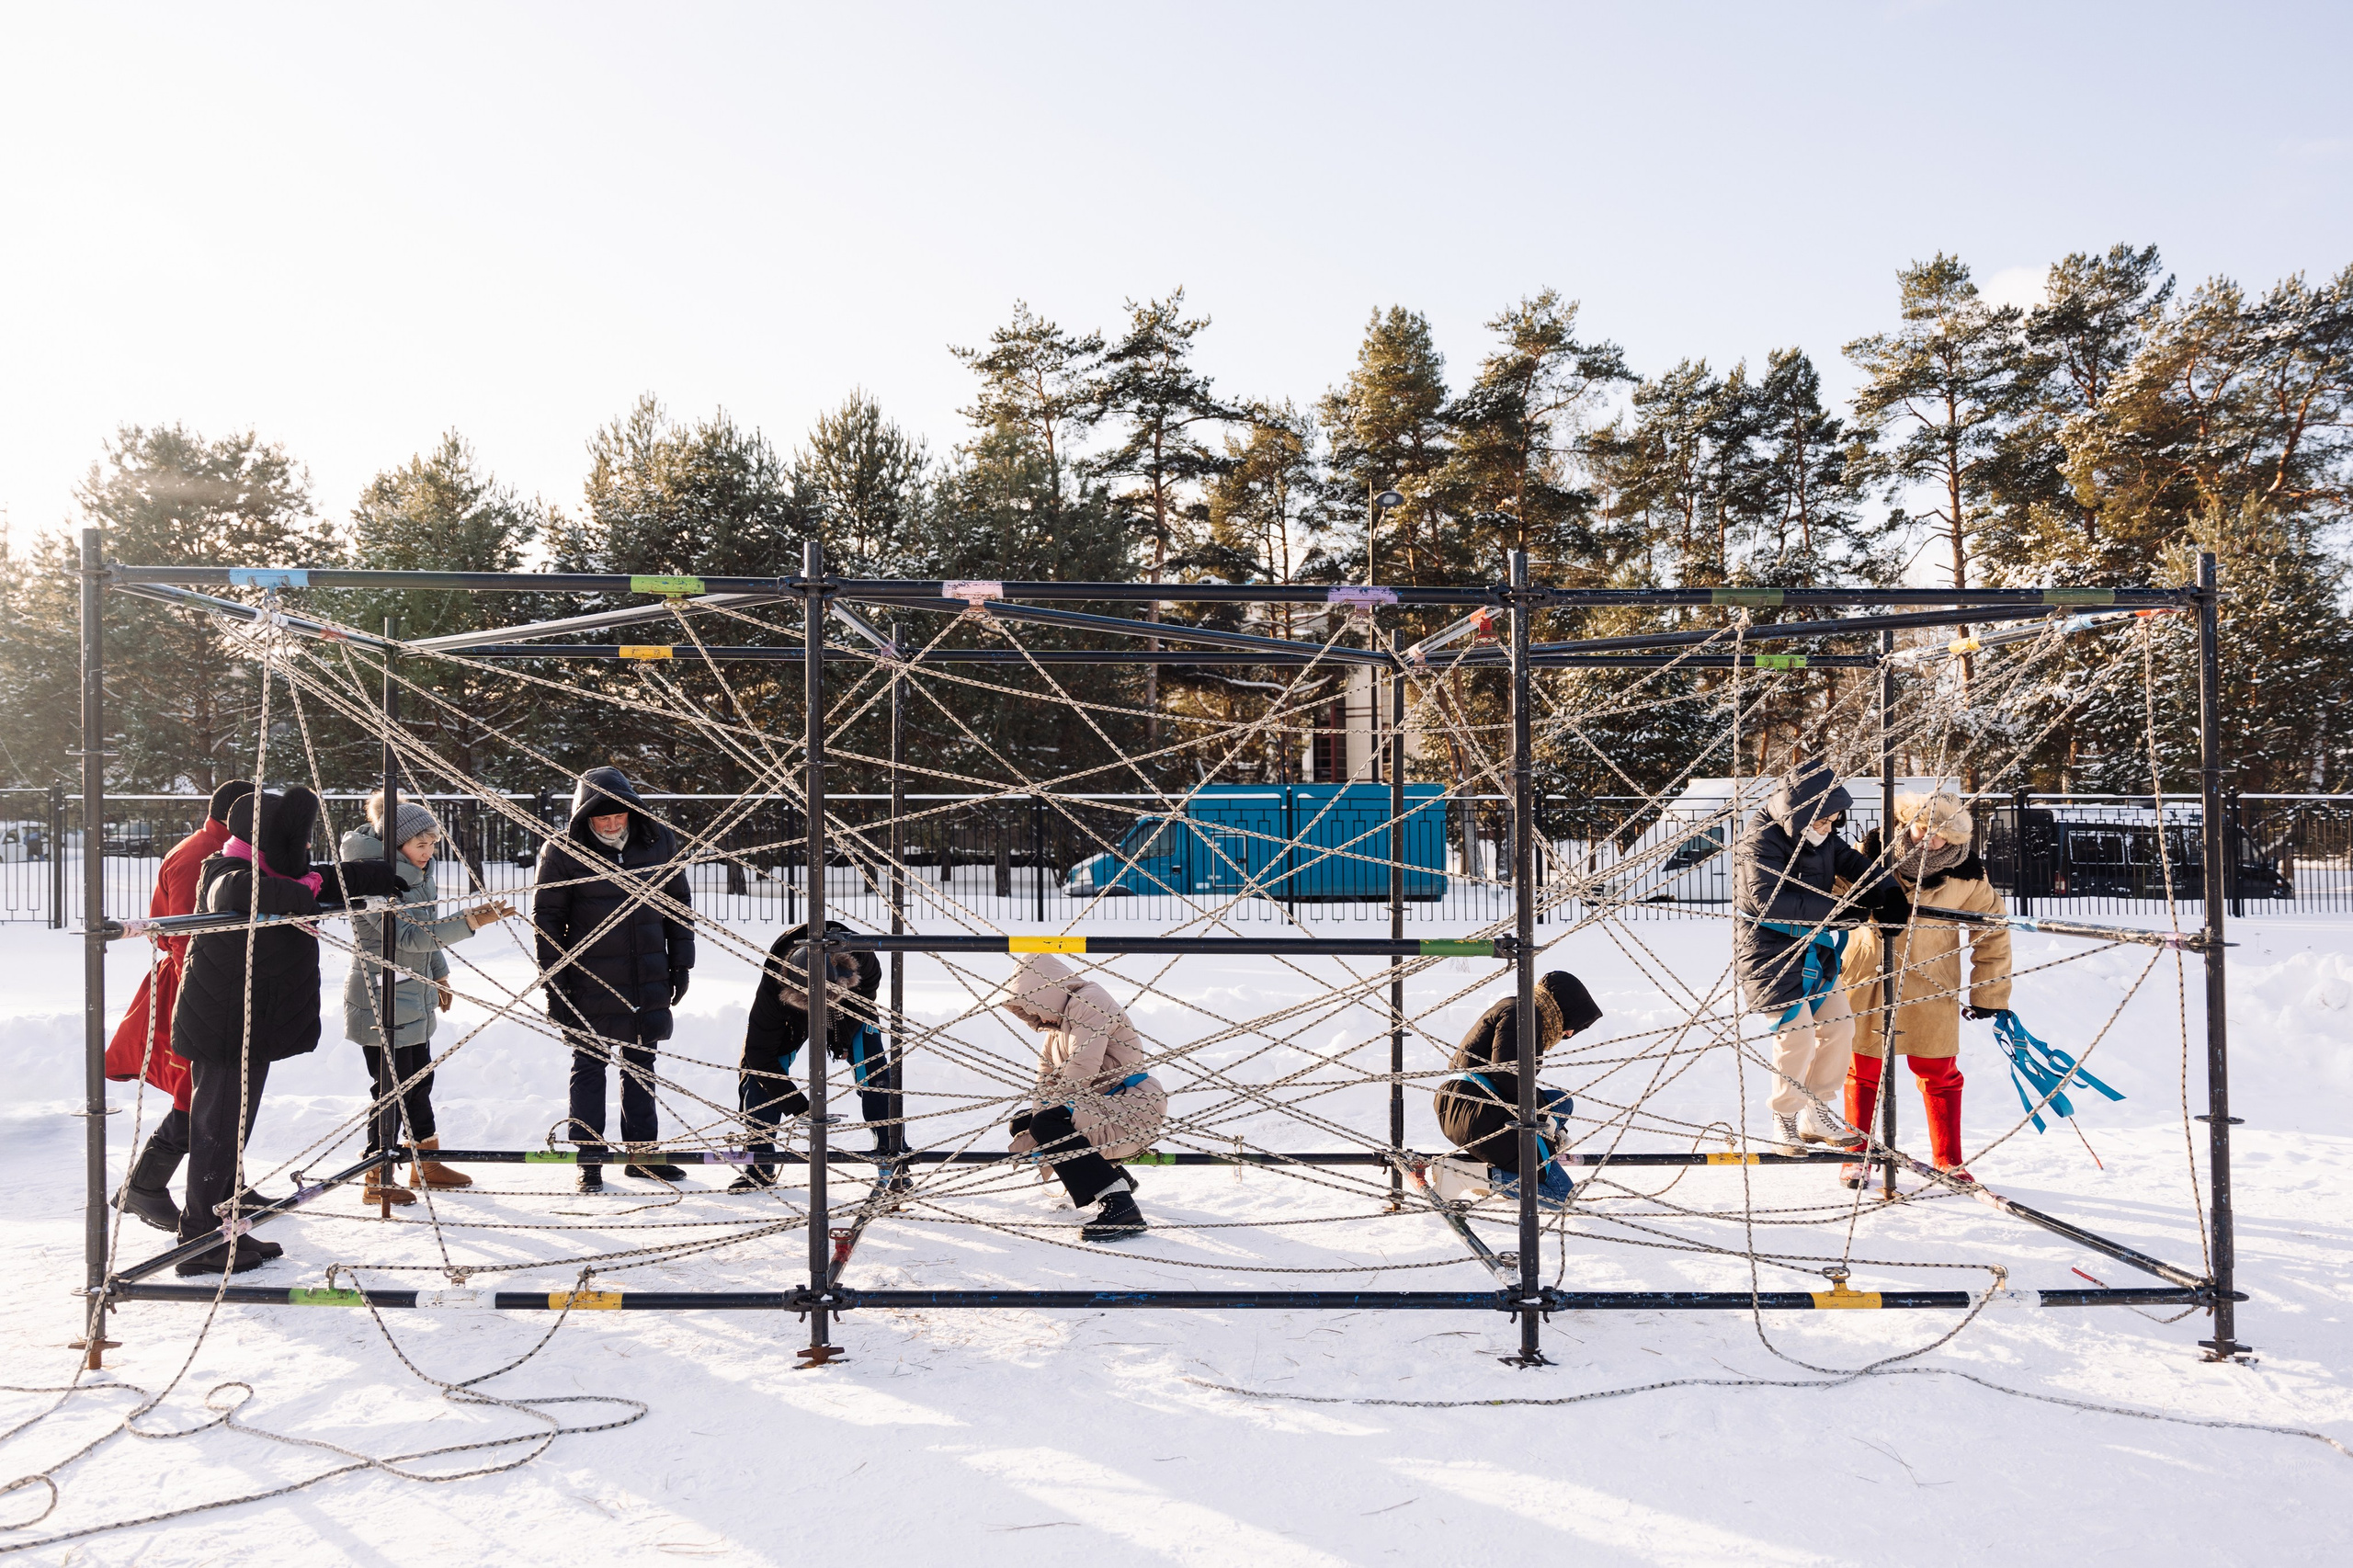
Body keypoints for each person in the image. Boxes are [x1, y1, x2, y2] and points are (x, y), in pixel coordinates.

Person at [169, 788, 401, 1275]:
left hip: (248, 1022)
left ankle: (224, 1228)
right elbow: (254, 892)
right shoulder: (225, 869)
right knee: (216, 1129)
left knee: (233, 1128)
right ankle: (199, 1241)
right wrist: (312, 890)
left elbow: (317, 879)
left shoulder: (277, 870)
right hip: (224, 1023)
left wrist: (372, 875)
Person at [340, 792, 514, 1207]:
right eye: (422, 845)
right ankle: (374, 1172)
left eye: (433, 843)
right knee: (391, 1088)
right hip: (379, 1000)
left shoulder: (420, 874)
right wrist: (472, 920)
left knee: (419, 1081)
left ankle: (426, 1162)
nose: (429, 852)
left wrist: (439, 973)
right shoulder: (369, 878)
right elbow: (404, 937)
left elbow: (428, 927)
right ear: (396, 844)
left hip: (413, 995)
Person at [531, 767, 696, 1193]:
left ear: (629, 810)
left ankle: (643, 1156)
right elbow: (548, 922)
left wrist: (681, 964)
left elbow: (678, 905)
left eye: (616, 815)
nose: (610, 823)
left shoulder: (657, 840)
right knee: (589, 1067)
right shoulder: (563, 851)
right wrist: (556, 985)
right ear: (584, 817)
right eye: (600, 817)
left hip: (647, 973)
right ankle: (589, 1159)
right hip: (589, 978)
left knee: (641, 1066)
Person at [1733, 758, 1909, 1157]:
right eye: (1823, 821)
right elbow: (1766, 899)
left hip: (1814, 948)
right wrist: (1835, 911)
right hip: (1769, 953)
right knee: (1795, 1035)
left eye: (1834, 822)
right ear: (1801, 815)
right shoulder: (1761, 838)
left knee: (1840, 1026)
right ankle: (1785, 1116)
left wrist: (1886, 892)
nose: (1829, 829)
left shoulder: (1821, 834)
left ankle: (1816, 1109)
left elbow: (1854, 864)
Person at [1838, 791, 2012, 1187]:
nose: (1930, 840)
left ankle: (1948, 1160)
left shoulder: (1968, 873)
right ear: (1907, 821)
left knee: (1938, 1072)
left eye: (1942, 836)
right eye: (1924, 829)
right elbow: (1830, 897)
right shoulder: (1868, 853)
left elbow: (1993, 931)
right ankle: (1856, 1154)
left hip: (1932, 983)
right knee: (1863, 1068)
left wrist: (1988, 993)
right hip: (1868, 975)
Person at [105, 778, 254, 1233]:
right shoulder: (202, 855)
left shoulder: (217, 847)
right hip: (195, 988)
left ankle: (227, 1187)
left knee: (222, 1086)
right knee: (204, 1089)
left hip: (203, 984)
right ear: (239, 818)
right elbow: (186, 934)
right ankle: (145, 1186)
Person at [998, 952, 1166, 1242]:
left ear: (1048, 992)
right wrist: (1037, 1120)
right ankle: (1114, 1176)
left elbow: (1082, 1067)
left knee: (1047, 1126)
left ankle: (1121, 1205)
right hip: (1104, 1108)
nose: (1036, 1018)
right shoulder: (1057, 1030)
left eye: (1033, 1008)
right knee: (1025, 1123)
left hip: (1132, 1107)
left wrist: (1044, 1124)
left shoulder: (1090, 1002)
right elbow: (1045, 1082)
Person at [733, 920, 893, 1193]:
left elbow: (868, 991)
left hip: (849, 1006)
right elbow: (760, 1057)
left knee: (874, 1072)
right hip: (792, 1013)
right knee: (759, 1077)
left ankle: (891, 1157)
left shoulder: (862, 957)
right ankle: (759, 1161)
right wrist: (800, 1107)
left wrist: (842, 1037)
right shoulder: (774, 991)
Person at [1432, 971, 1601, 1207]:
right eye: (1572, 1023)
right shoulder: (1522, 1015)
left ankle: (1512, 1166)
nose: (1569, 1033)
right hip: (1478, 1113)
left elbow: (1507, 1078)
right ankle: (1464, 1176)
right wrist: (1543, 1118)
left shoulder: (1518, 1008)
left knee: (1562, 1102)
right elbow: (1508, 1075)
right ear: (1561, 1009)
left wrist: (1549, 1122)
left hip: (1464, 1104)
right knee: (1561, 1195)